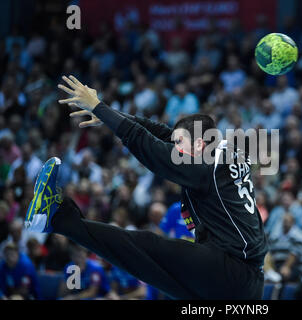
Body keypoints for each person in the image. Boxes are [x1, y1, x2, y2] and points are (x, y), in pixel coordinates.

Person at [25, 75, 268, 300]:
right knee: (141, 262)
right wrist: (109, 114)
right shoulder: (219, 153)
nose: (174, 148)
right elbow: (161, 134)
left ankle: (55, 215)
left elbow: (152, 149)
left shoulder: (207, 164)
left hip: (231, 270)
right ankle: (55, 219)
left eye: (179, 143)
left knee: (143, 246)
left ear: (199, 143)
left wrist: (100, 107)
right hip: (239, 283)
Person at [264, 213, 302, 283]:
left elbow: (294, 254)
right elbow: (270, 251)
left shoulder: (299, 236)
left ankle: (275, 280)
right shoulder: (276, 235)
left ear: (293, 222)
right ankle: (271, 274)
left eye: (288, 221)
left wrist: (286, 267)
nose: (286, 223)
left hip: (295, 266)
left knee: (285, 273)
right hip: (277, 264)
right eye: (284, 221)